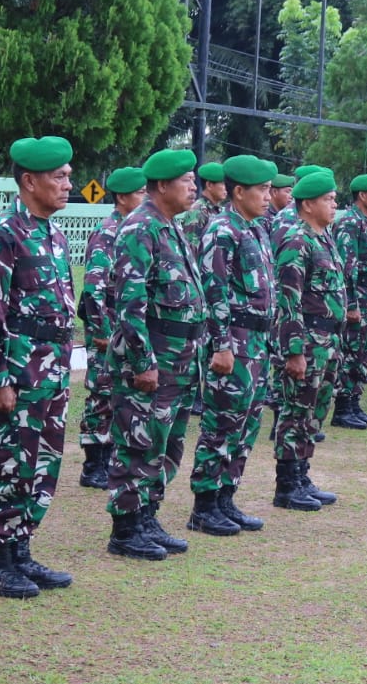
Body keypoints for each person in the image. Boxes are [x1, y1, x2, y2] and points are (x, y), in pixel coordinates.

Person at [0, 136, 78, 599]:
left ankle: (20, 549)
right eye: (59, 177)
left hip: (52, 371)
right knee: (9, 463)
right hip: (19, 371)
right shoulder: (3, 232)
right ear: (29, 181)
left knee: (42, 463)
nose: (68, 184)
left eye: (69, 176)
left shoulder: (51, 232)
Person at [104, 149, 205, 561]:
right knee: (139, 441)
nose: (193, 187)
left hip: (179, 361)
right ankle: (126, 528)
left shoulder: (171, 227)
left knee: (167, 443)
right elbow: (130, 303)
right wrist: (143, 362)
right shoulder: (139, 228)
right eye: (186, 180)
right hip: (152, 362)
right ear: (161, 185)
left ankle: (147, 516)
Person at [189, 155, 277, 535]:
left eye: (270, 189)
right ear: (238, 191)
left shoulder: (254, 228)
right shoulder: (223, 230)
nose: (268, 197)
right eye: (262, 189)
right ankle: (205, 505)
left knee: (247, 422)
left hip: (257, 341)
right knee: (222, 422)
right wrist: (221, 345)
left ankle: (227, 497)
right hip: (235, 341)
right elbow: (215, 292)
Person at [271, 170, 347, 507]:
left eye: (334, 198)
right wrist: (294, 351)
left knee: (314, 412)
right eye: (328, 199)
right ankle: (287, 485)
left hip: (327, 340)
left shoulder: (323, 236)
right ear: (307, 204)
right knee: (296, 411)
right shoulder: (297, 240)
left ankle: (302, 473)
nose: (335, 204)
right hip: (308, 341)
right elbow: (288, 301)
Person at [76, 167, 146, 487]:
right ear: (122, 197)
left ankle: (111, 456)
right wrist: (102, 331)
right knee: (101, 391)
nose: (146, 198)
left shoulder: (134, 228)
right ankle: (93, 465)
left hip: (124, 325)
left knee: (120, 391)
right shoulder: (109, 231)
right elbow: (93, 287)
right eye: (141, 193)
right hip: (106, 324)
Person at [330, 174, 367, 431]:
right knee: (351, 352)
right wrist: (351, 304)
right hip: (358, 298)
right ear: (362, 195)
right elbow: (345, 267)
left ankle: (354, 403)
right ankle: (342, 407)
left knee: (362, 353)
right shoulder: (349, 223)